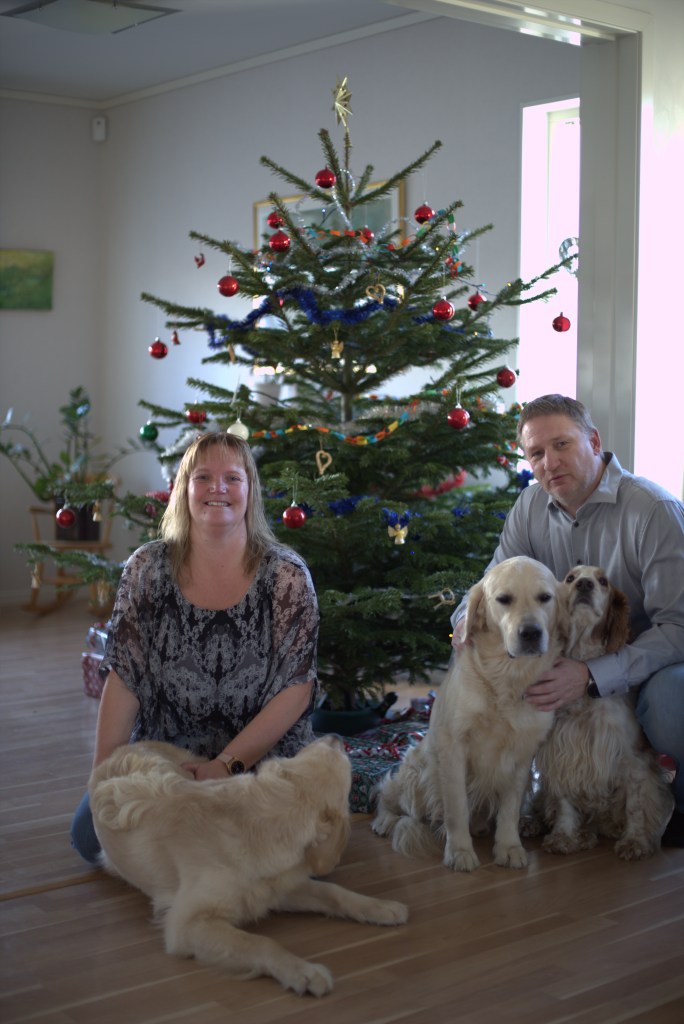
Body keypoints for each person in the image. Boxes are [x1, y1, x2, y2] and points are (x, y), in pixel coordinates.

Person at [71, 431, 320, 863]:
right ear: (183, 490)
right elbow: (124, 679)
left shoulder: (286, 575)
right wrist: (103, 776)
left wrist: (225, 765)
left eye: (232, 478)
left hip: (262, 760)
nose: (217, 488)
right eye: (202, 477)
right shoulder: (146, 568)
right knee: (89, 837)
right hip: (166, 752)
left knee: (293, 851)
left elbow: (296, 689)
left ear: (250, 491)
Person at [451, 394, 684, 847]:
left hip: (650, 662)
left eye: (561, 445)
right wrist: (464, 622)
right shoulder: (529, 507)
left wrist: (592, 675)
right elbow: (491, 584)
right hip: (563, 658)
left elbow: (678, 627)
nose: (549, 463)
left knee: (672, 701)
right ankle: (499, 797)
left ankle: (678, 802)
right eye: (536, 453)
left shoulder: (653, 510)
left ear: (594, 442)